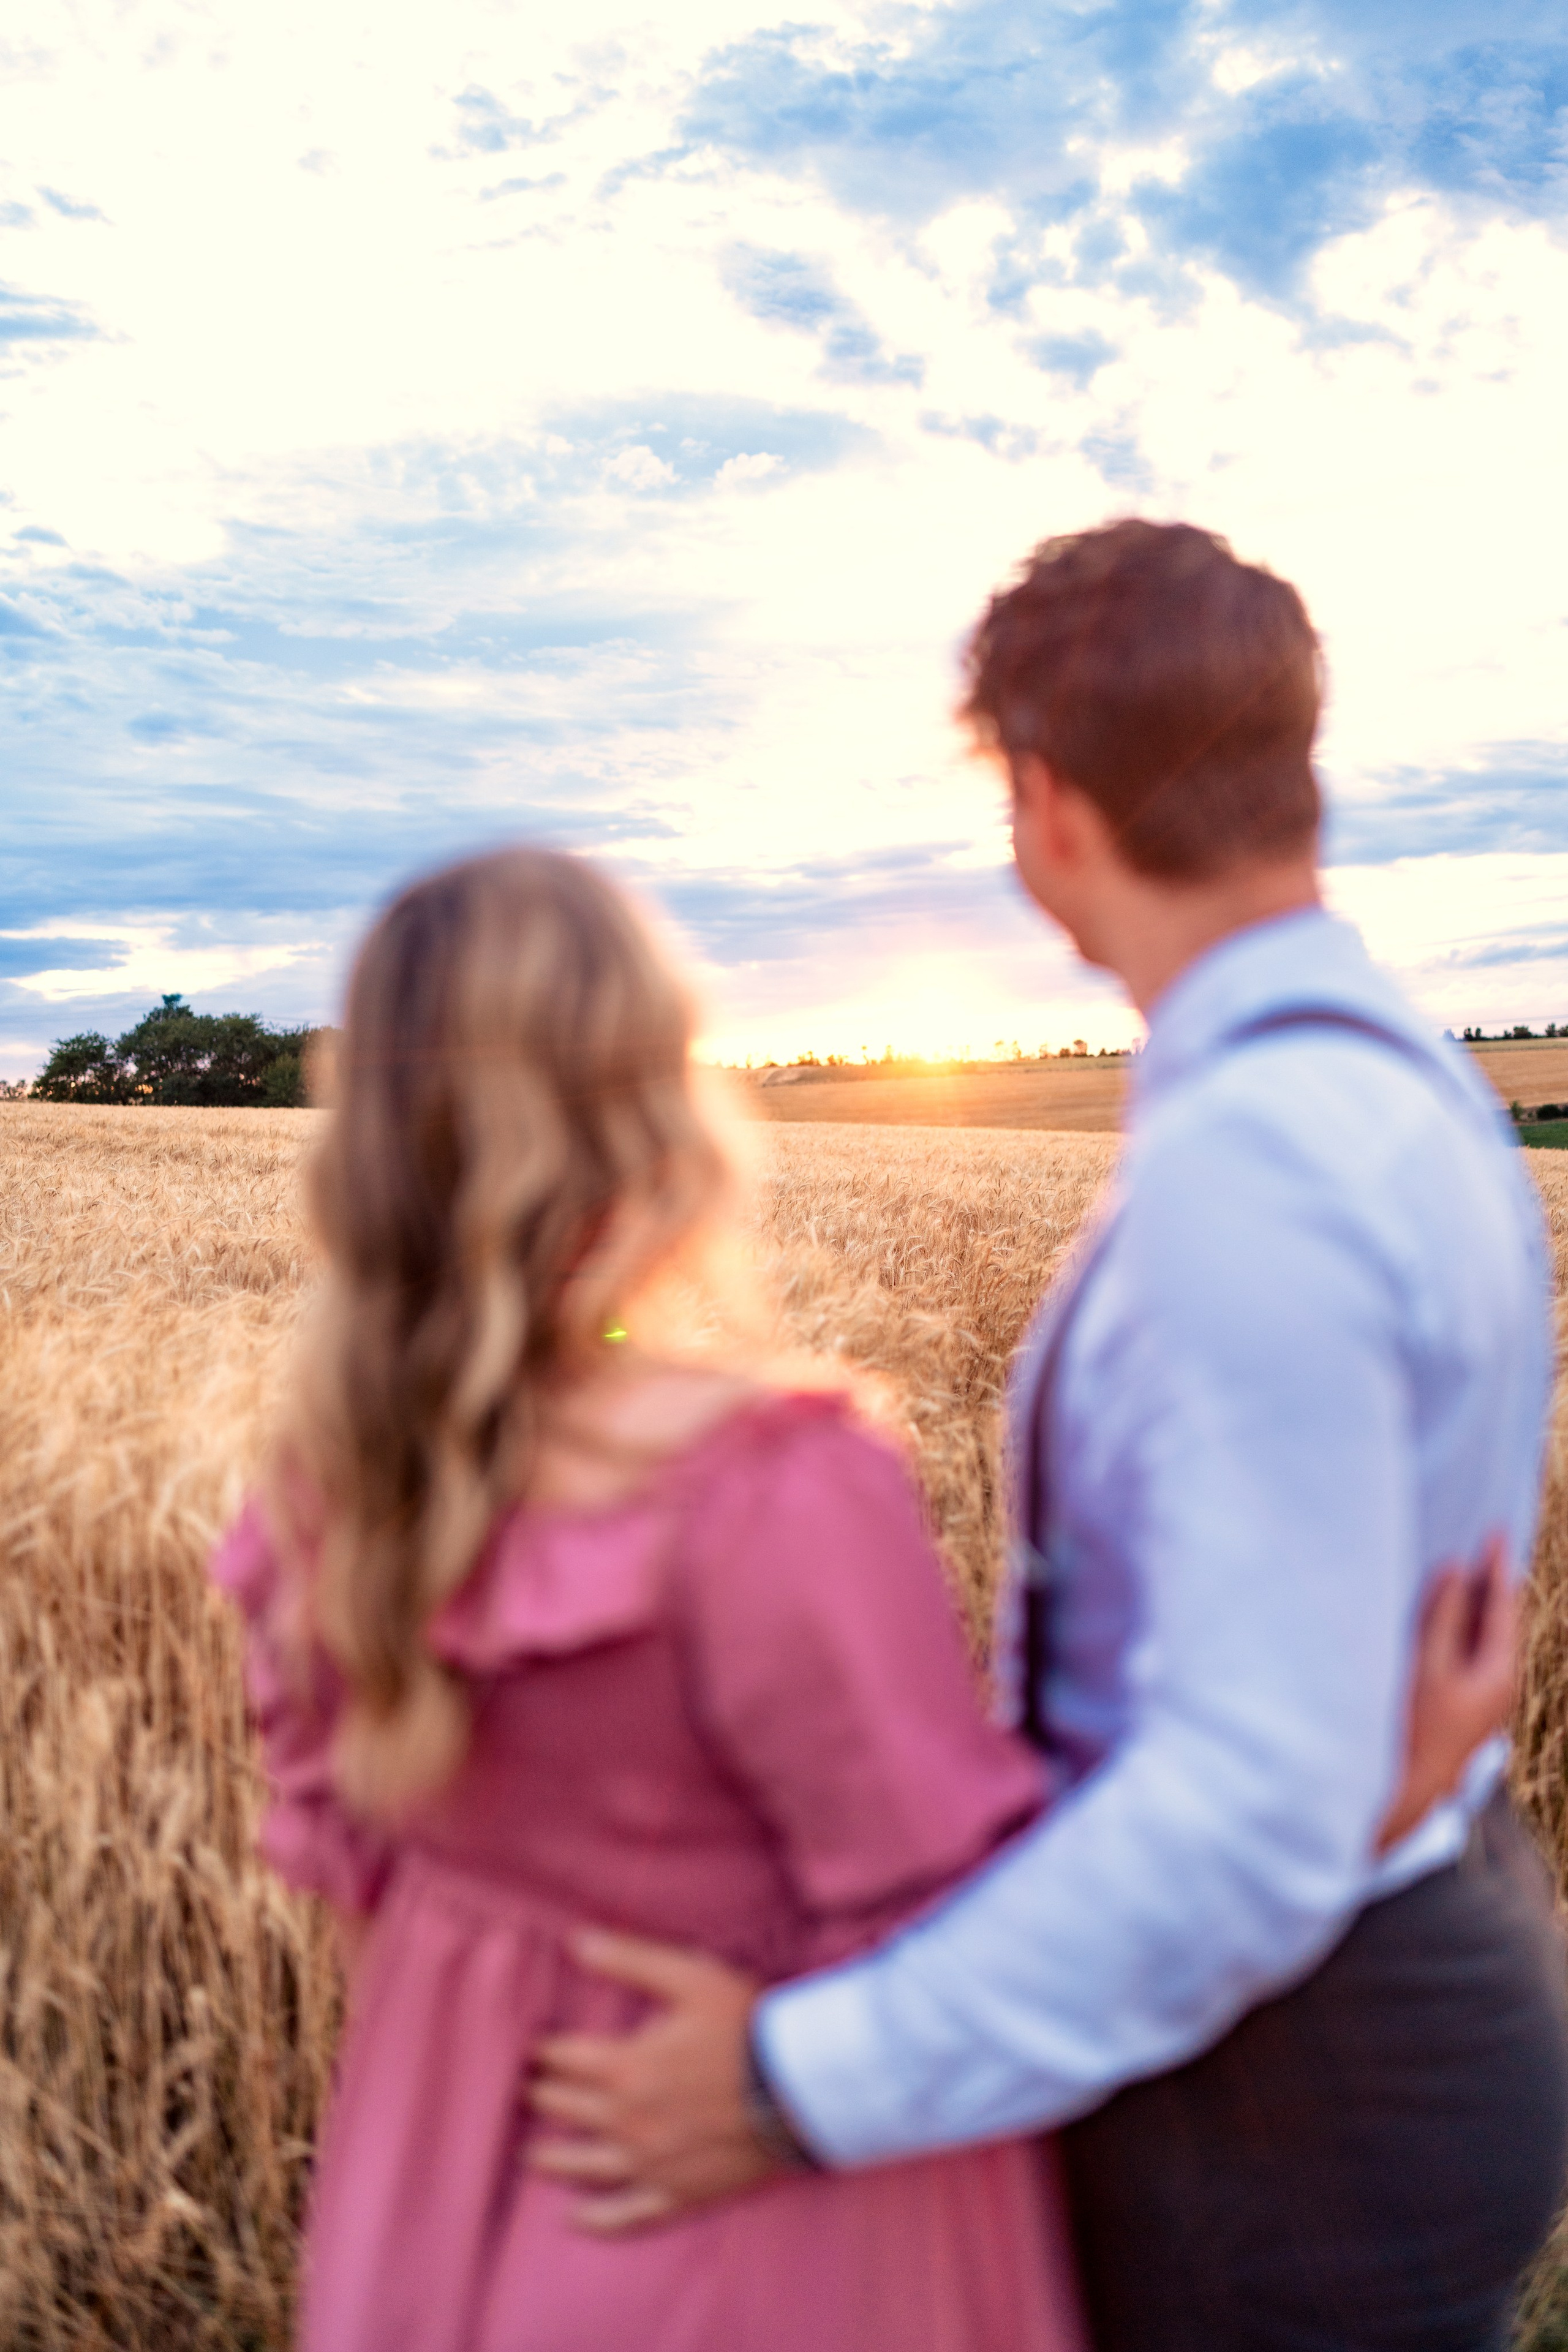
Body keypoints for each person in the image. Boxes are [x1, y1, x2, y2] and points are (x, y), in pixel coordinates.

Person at [529, 521, 1568, 2351]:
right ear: (1293, 774)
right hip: (1387, 1961)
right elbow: (1318, 1723)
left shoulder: (1255, 1176)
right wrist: (1346, 1799)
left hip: (1284, 2095)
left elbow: (1241, 1812)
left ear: (1045, 806)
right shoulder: (1415, 1094)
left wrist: (793, 2078)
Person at [211, 846, 1096, 2352]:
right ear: (657, 1106)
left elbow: (372, 1901)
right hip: (756, 2216)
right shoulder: (774, 1487)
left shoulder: (319, 1502)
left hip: (437, 2208)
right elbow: (959, 1931)